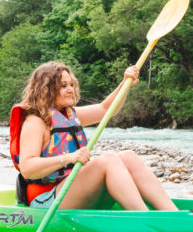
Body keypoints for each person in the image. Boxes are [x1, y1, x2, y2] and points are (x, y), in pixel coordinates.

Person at [9, 61, 179, 211]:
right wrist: (69, 158)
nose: (70, 90)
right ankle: (146, 219)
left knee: (128, 157)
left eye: (71, 85)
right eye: (63, 86)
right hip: (45, 201)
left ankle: (174, 216)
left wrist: (125, 83)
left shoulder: (69, 115)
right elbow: (27, 168)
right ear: (46, 90)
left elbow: (106, 109)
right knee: (109, 160)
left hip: (71, 192)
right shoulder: (35, 122)